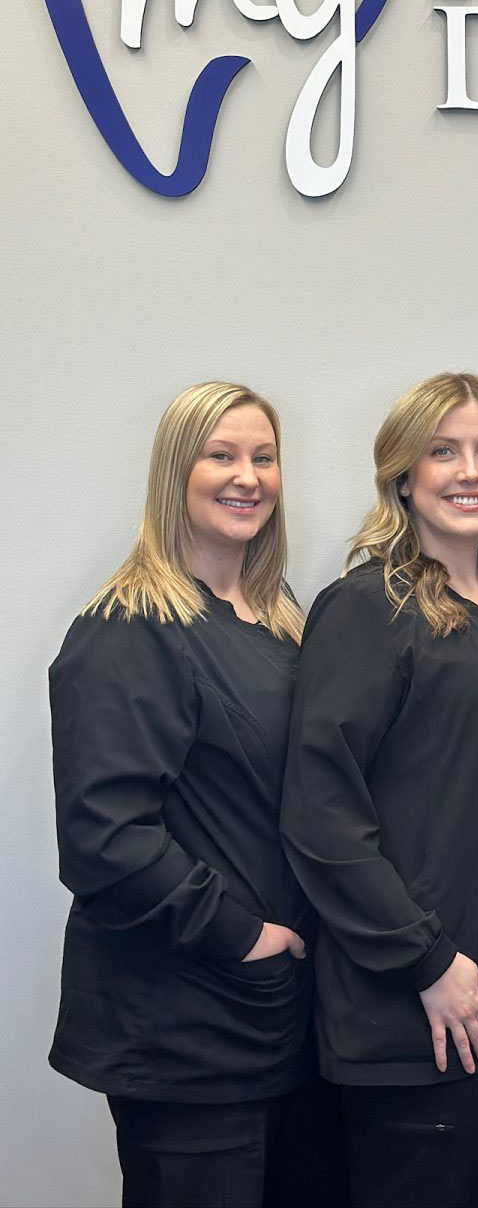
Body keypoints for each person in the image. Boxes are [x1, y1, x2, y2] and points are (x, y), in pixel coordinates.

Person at [280, 372, 478, 1208]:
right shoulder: (365, 608)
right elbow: (319, 814)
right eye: (444, 451)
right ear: (403, 475)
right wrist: (425, 961)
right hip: (412, 1004)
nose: (469, 471)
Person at [48, 382, 318, 1208]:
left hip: (275, 1024)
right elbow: (105, 839)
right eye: (222, 455)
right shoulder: (129, 626)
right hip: (184, 1029)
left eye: (263, 458)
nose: (247, 477)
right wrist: (243, 938)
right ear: (176, 471)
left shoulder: (279, 622)